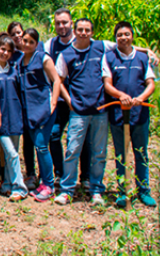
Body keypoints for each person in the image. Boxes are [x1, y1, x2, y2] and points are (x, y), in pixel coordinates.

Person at [53, 18, 109, 206]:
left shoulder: (101, 47)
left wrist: (147, 51)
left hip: (100, 110)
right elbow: (58, 80)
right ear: (74, 32)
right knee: (72, 150)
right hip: (78, 112)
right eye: (80, 30)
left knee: (99, 152)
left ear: (92, 32)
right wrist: (69, 101)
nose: (83, 33)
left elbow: (124, 45)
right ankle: (67, 189)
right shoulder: (67, 54)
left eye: (87, 30)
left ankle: (96, 190)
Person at [102, 21, 156, 209]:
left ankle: (144, 191)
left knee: (140, 153)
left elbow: (151, 83)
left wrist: (140, 98)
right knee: (121, 155)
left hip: (139, 114)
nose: (123, 37)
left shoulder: (142, 58)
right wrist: (120, 95)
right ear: (115, 38)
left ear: (132, 36)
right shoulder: (109, 57)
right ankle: (122, 192)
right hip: (118, 115)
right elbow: (107, 84)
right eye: (119, 35)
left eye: (127, 34)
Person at [17, 28, 61, 201]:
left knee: (42, 146)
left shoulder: (43, 58)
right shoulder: (20, 61)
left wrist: (53, 102)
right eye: (24, 41)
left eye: (31, 42)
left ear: (37, 44)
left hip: (44, 108)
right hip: (30, 111)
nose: (27, 44)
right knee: (38, 146)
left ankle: (49, 185)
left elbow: (56, 80)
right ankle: (43, 183)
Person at [0, 36, 28, 201]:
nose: (4, 53)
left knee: (11, 154)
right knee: (11, 153)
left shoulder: (14, 70)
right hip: (0, 119)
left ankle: (7, 184)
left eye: (8, 50)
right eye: (2, 49)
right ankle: (20, 187)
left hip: (15, 117)